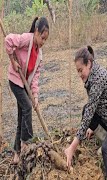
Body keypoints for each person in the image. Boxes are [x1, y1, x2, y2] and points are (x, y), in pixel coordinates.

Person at [64, 46, 107, 180]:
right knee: (86, 112)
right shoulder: (92, 73)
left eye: (80, 70)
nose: (79, 74)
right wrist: (90, 127)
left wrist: (72, 147)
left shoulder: (98, 78)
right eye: (77, 71)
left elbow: (90, 112)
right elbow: (90, 109)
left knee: (106, 149)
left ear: (89, 63)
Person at [5, 16, 49, 164]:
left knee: (21, 117)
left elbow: (35, 78)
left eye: (45, 40)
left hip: (24, 85)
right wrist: (12, 60)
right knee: (27, 108)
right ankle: (25, 142)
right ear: (36, 32)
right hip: (15, 81)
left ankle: (16, 153)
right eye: (42, 38)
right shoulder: (26, 39)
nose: (43, 42)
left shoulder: (39, 55)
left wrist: (35, 96)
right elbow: (8, 40)